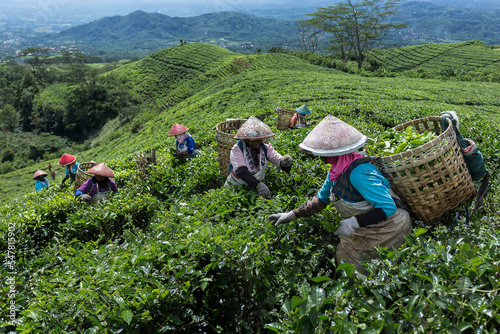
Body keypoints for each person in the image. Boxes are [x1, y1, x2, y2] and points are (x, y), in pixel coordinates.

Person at [268, 115, 411, 271]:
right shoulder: (335, 171)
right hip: (366, 226)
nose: (319, 156)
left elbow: (387, 207)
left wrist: (354, 222)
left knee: (368, 270)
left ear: (334, 153)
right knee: (345, 261)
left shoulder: (359, 172)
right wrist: (292, 214)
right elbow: (321, 200)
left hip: (389, 227)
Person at [225, 115, 293, 198]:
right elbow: (241, 171)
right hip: (237, 186)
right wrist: (259, 185)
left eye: (260, 139)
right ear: (247, 139)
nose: (259, 142)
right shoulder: (237, 149)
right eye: (255, 140)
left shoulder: (265, 148)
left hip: (254, 187)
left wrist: (285, 162)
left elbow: (277, 159)